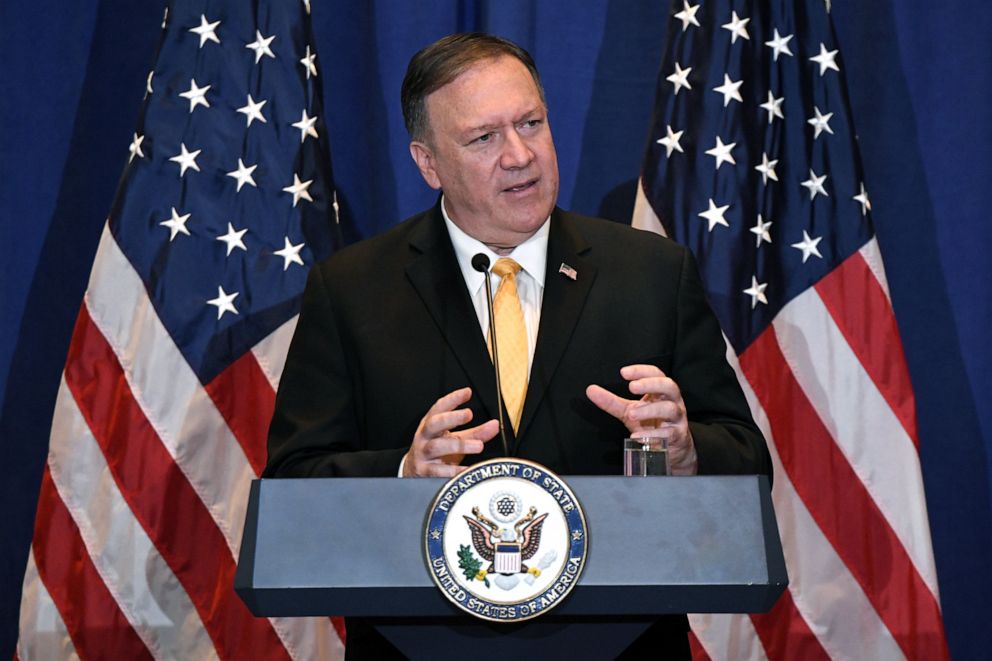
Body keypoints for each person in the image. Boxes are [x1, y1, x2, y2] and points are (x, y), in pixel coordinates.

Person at [264, 32, 771, 659]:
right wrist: (402, 474)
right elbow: (293, 481)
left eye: (531, 123)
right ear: (428, 163)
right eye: (484, 138)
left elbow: (747, 459)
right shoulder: (352, 290)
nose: (519, 155)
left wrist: (687, 449)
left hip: (621, 643)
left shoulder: (652, 274)